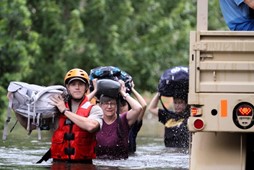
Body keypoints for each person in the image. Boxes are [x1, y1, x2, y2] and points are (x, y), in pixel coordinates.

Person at [37, 68, 103, 164]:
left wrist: (65, 111)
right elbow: (30, 126)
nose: (77, 87)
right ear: (67, 87)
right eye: (73, 84)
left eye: (80, 84)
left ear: (86, 87)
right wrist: (15, 105)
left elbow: (91, 126)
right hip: (57, 165)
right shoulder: (55, 110)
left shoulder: (95, 109)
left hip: (83, 165)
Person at [94, 80, 142, 159]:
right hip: (99, 162)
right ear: (100, 105)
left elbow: (138, 108)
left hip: (119, 163)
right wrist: (95, 90)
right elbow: (80, 109)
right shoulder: (95, 121)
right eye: (106, 103)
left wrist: (122, 92)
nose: (109, 107)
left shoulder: (123, 120)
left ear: (117, 106)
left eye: (112, 103)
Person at [119, 81, 147, 154]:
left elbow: (143, 105)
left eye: (123, 105)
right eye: (119, 106)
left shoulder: (134, 123)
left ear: (129, 107)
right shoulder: (111, 120)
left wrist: (131, 89)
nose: (121, 109)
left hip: (130, 157)